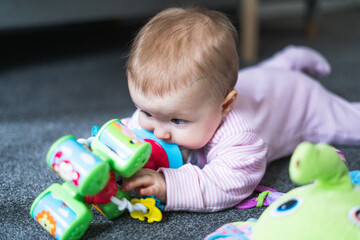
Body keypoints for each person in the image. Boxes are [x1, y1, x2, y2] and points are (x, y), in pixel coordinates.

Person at [120, 7, 360, 212]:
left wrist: (168, 184)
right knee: (258, 76)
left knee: (352, 122)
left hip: (299, 100)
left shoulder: (239, 135)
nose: (159, 133)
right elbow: (130, 130)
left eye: (177, 121)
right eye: (147, 113)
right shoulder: (186, 105)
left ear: (224, 106)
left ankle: (288, 65)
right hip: (258, 82)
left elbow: (228, 183)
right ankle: (287, 61)